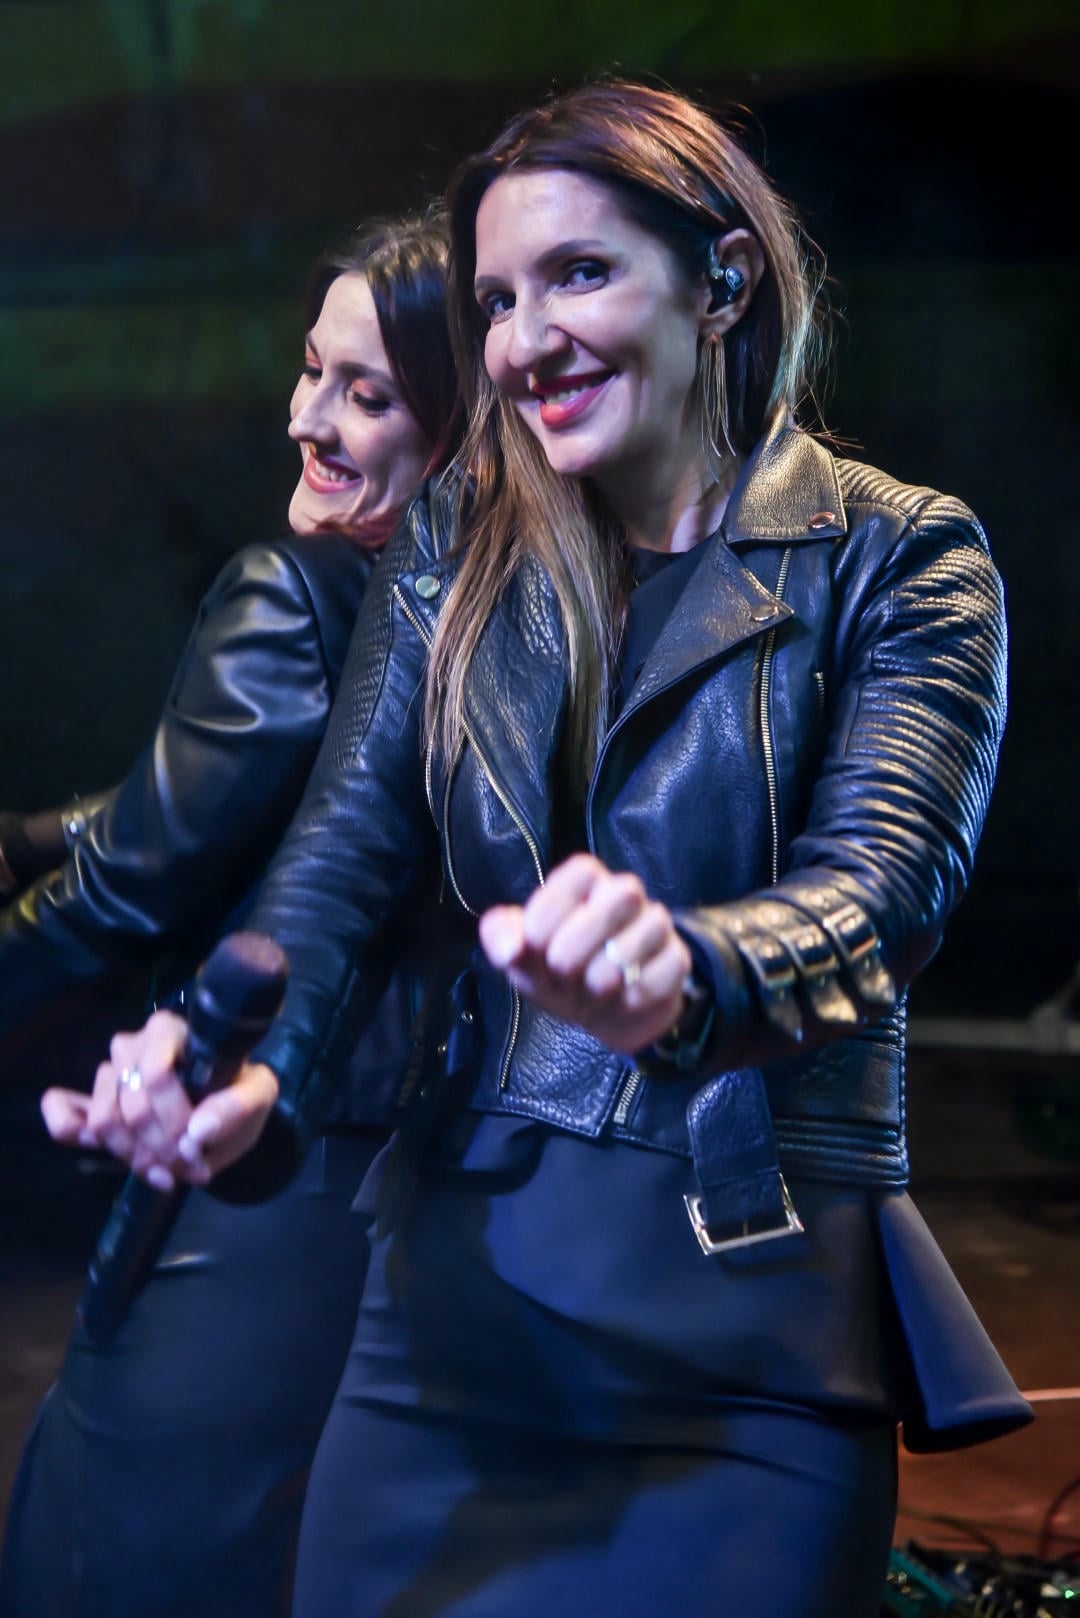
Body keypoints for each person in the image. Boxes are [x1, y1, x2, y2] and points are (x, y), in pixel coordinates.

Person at [52, 82, 1032, 1617]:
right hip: (448, 1325)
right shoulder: (458, 539)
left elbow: (881, 894)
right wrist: (248, 1068)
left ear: (721, 282)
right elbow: (339, 857)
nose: (522, 340)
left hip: (747, 1343)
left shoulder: (900, 553)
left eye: (577, 274)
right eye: (499, 299)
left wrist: (689, 968)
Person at [0, 209, 461, 1618]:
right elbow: (236, 799)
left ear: (466, 421)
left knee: (112, 1540)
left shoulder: (296, 589)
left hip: (265, 1158)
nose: (306, 419)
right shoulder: (492, 624)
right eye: (312, 371)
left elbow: (133, 880)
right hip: (415, 1174)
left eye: (367, 395)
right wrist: (35, 834)